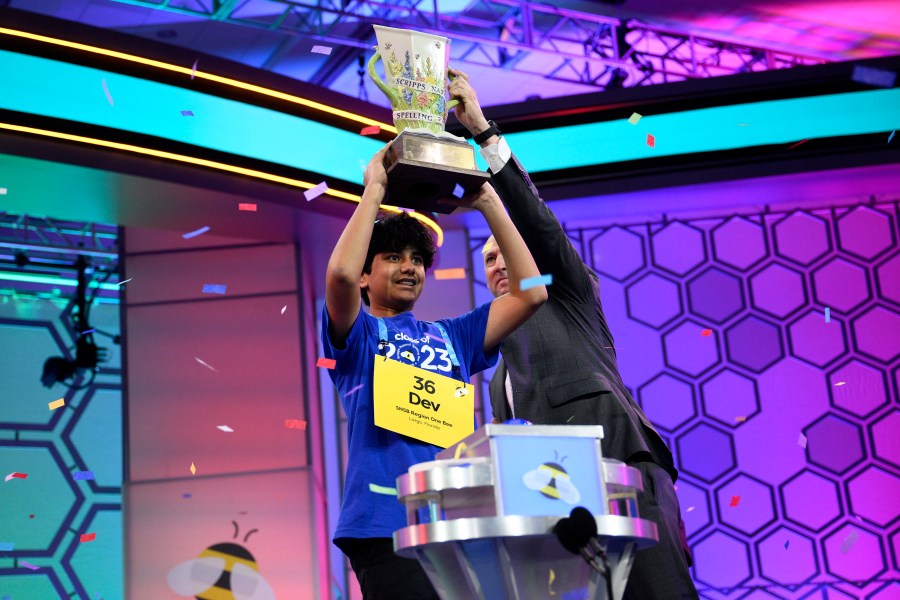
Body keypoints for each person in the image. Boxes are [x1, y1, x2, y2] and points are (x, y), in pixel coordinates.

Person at [448, 68, 699, 599]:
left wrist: (483, 134)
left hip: (621, 472)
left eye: (504, 254)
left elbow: (536, 223)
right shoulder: (497, 368)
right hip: (554, 509)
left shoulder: (568, 293)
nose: (496, 264)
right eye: (487, 258)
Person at [321, 141, 547, 599]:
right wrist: (375, 189)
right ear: (367, 276)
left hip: (455, 522)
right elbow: (340, 278)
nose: (409, 267)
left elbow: (532, 292)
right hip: (385, 524)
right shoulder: (359, 335)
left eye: (418, 259)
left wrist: (487, 200)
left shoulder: (453, 336)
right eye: (393, 257)